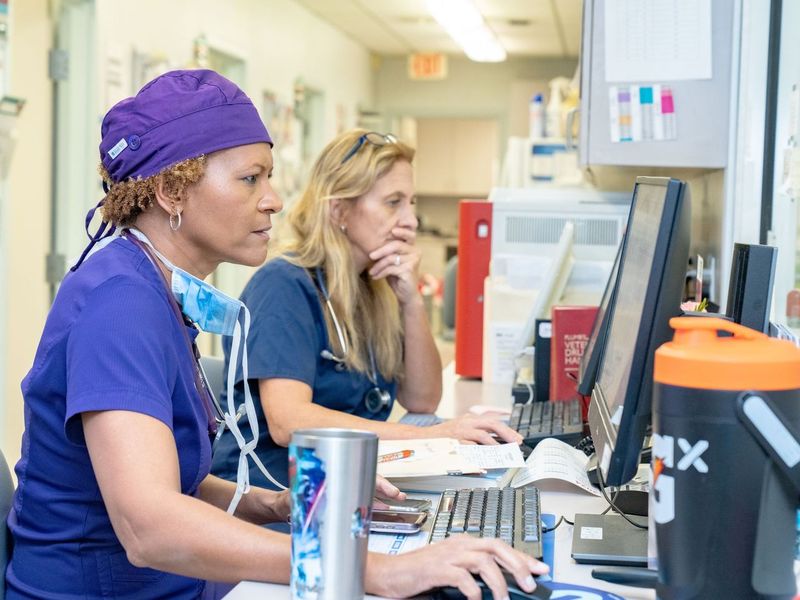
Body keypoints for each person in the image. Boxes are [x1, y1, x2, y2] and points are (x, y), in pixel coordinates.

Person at [5, 70, 547, 600]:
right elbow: (151, 527)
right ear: (172, 189)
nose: (274, 199)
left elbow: (173, 482)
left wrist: (275, 504)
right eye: (251, 179)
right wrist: (371, 569)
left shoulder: (153, 291)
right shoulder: (119, 306)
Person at [211, 129, 523, 493]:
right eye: (393, 203)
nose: (411, 221)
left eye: (412, 203)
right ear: (340, 210)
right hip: (269, 498)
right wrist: (430, 437)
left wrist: (410, 301)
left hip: (340, 482)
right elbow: (288, 422)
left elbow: (422, 400)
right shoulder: (284, 287)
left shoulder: (372, 284)